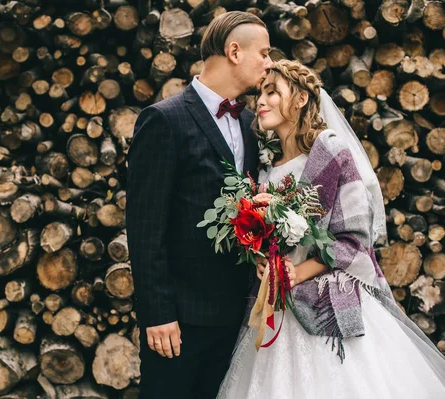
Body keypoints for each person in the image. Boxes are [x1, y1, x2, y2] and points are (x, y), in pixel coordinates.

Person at [217, 59, 445, 399]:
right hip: (276, 309)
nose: (260, 102)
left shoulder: (331, 153)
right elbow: (267, 240)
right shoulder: (266, 169)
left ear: (300, 100)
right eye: (259, 94)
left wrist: (296, 272)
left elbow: (354, 240)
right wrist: (261, 260)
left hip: (325, 303)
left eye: (272, 92)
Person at [125, 11, 272, 399]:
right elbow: (145, 227)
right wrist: (158, 315)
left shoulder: (249, 125)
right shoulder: (163, 120)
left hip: (235, 315)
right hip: (180, 319)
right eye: (265, 53)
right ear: (235, 51)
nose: (270, 64)